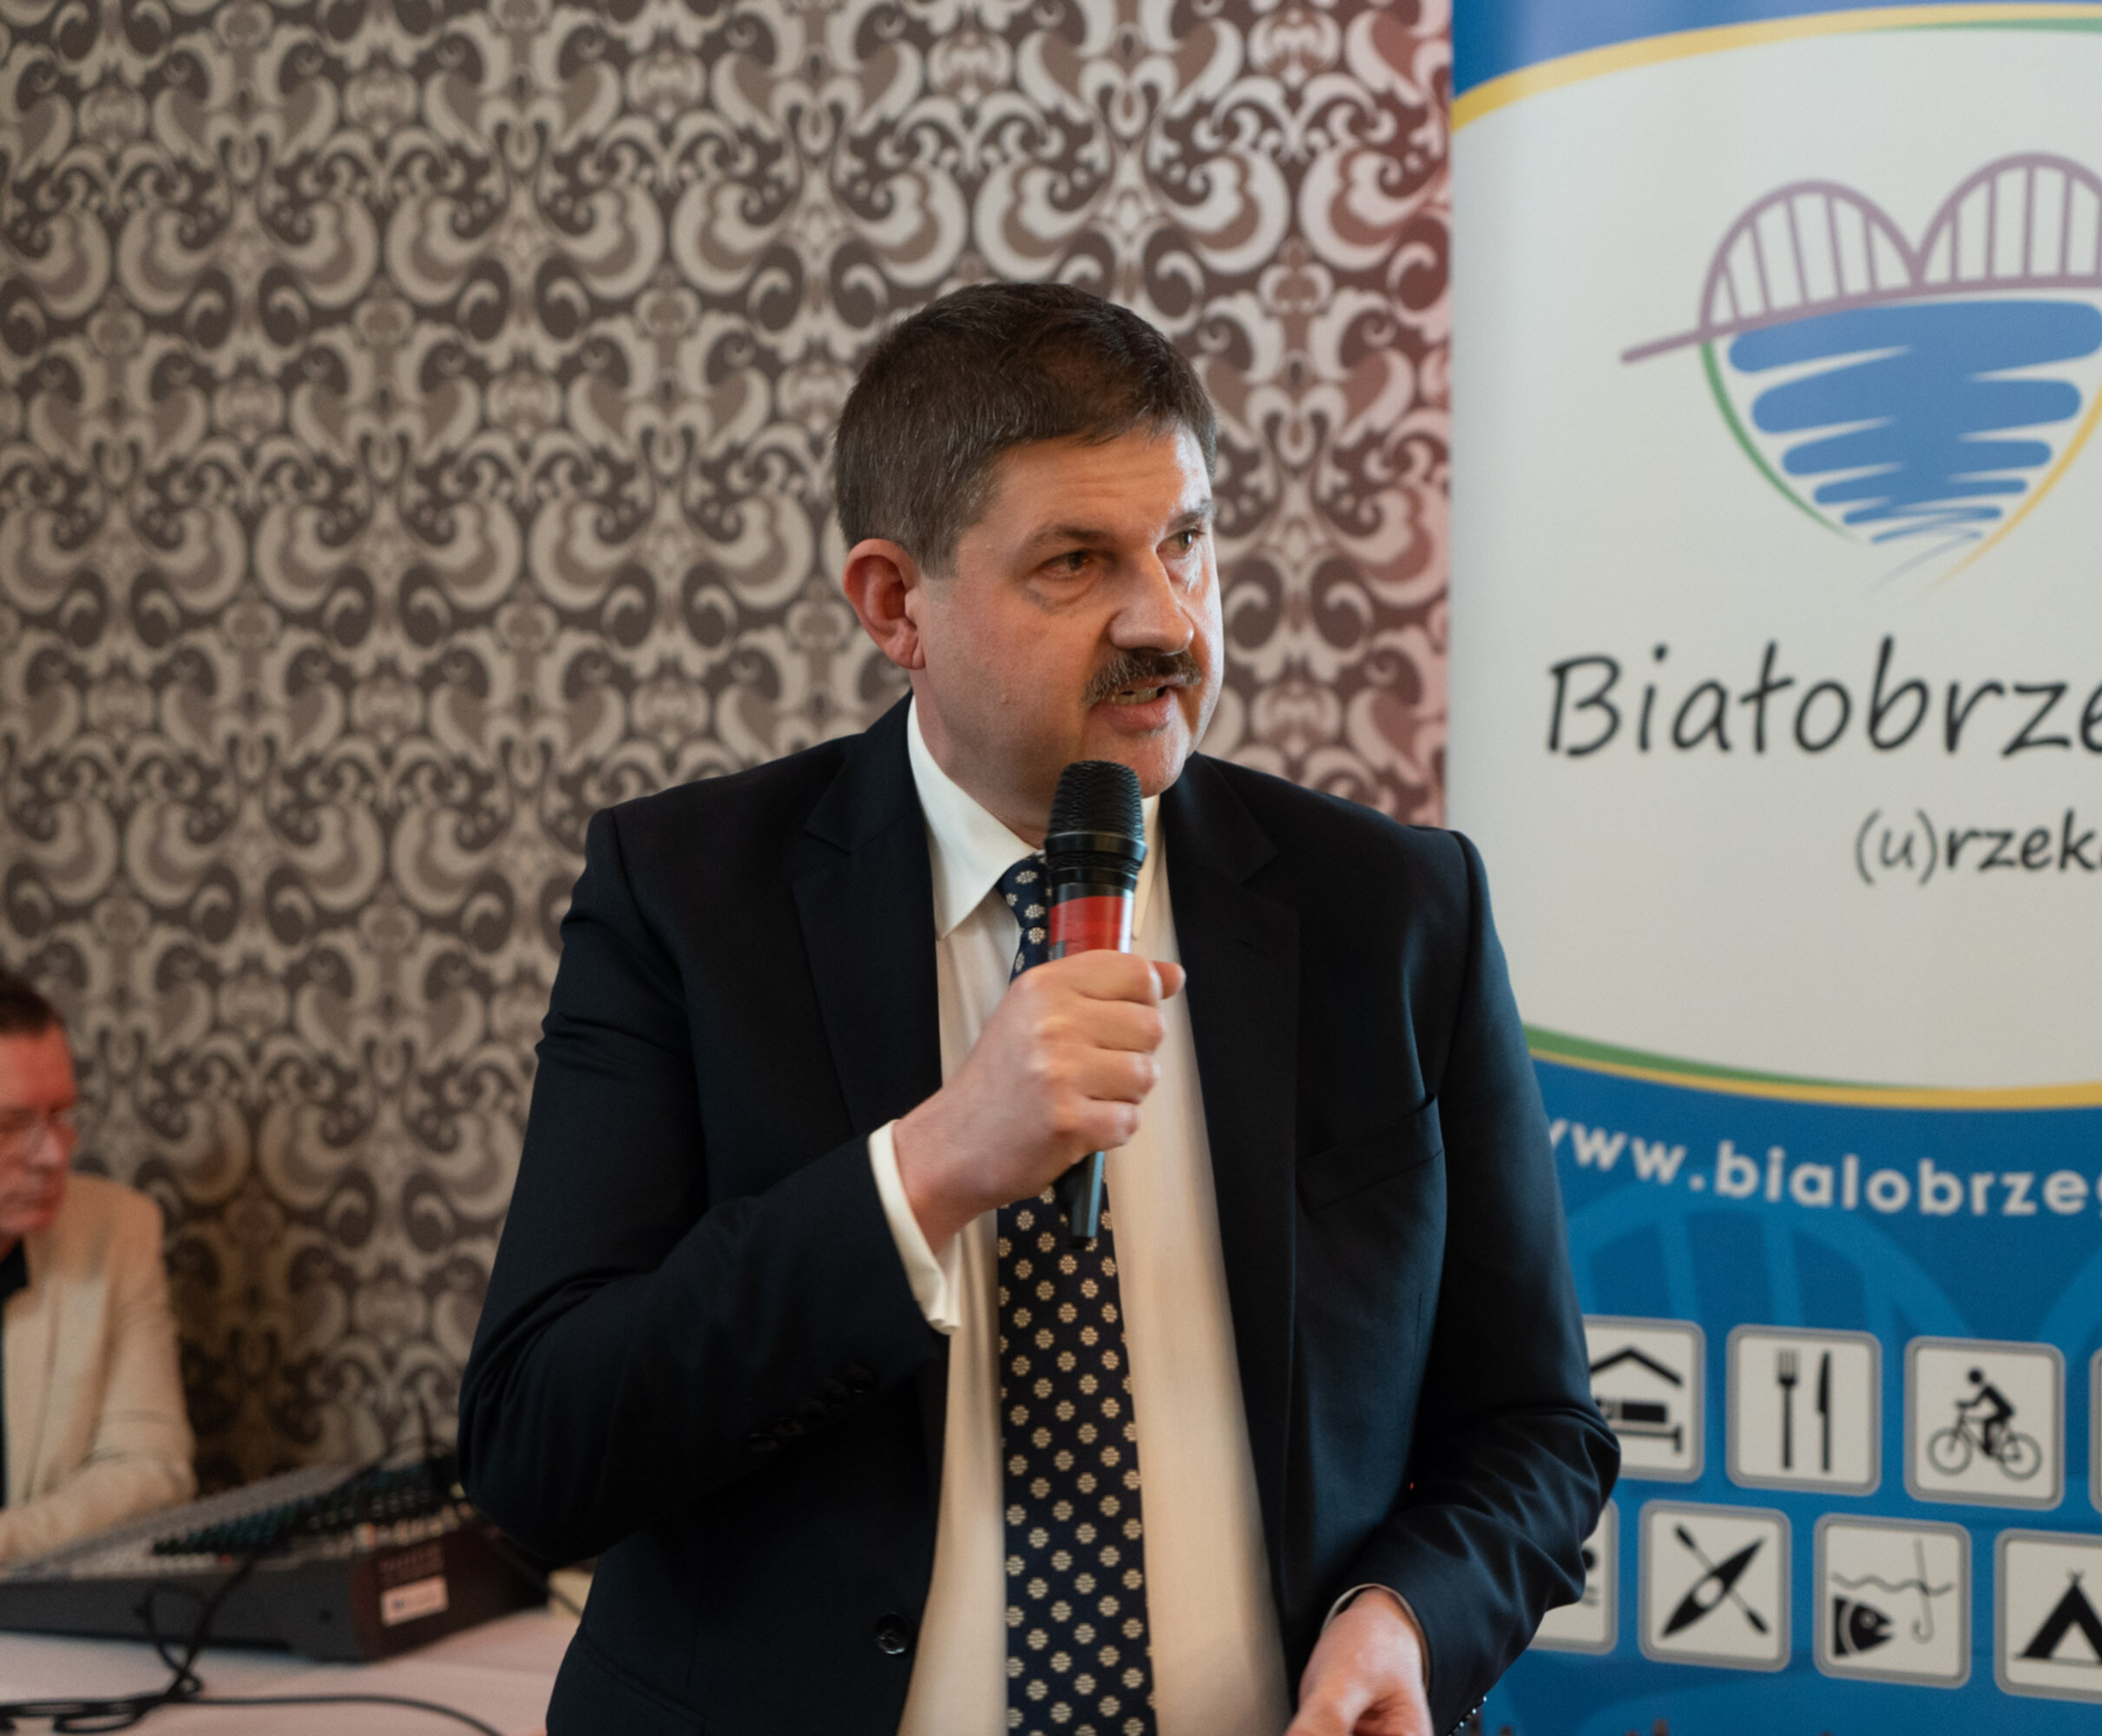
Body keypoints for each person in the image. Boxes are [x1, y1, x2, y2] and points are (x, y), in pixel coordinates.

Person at [459, 282, 1616, 1736]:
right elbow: (538, 1452)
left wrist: (1408, 1618)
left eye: (1184, 543)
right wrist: (930, 1169)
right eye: (1075, 563)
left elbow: (1535, 1427)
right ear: (895, 604)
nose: (1165, 621)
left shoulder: (1393, 910)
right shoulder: (688, 901)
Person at [0, 970, 195, 1563]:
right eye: (10, 1126)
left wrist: (10, 1540)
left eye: (60, 1114)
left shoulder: (118, 1230)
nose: (53, 1154)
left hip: (48, 1612)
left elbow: (152, 1469)